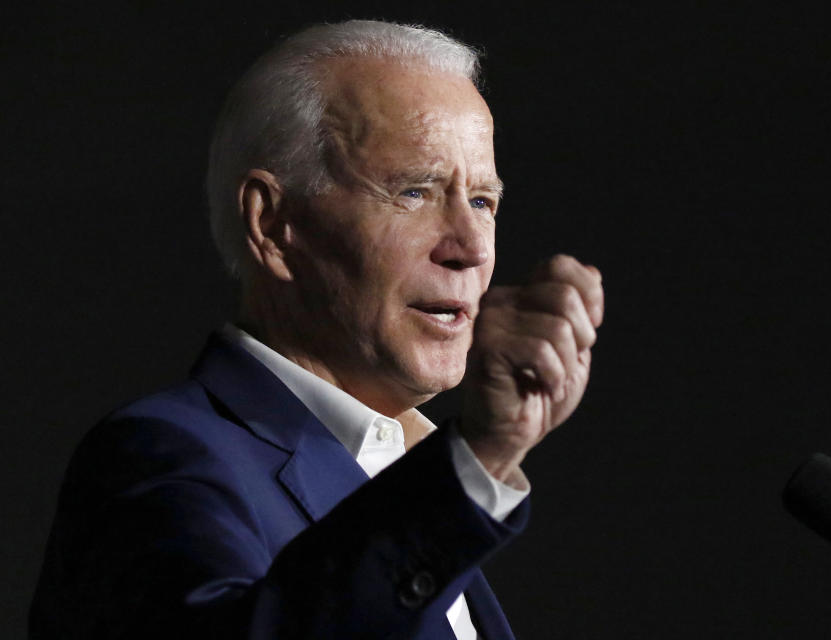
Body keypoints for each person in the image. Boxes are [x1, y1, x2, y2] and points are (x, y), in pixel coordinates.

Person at [30, 19, 604, 640]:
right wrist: (477, 462)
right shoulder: (159, 458)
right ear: (275, 226)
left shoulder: (408, 473)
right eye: (414, 191)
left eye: (483, 202)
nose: (469, 248)